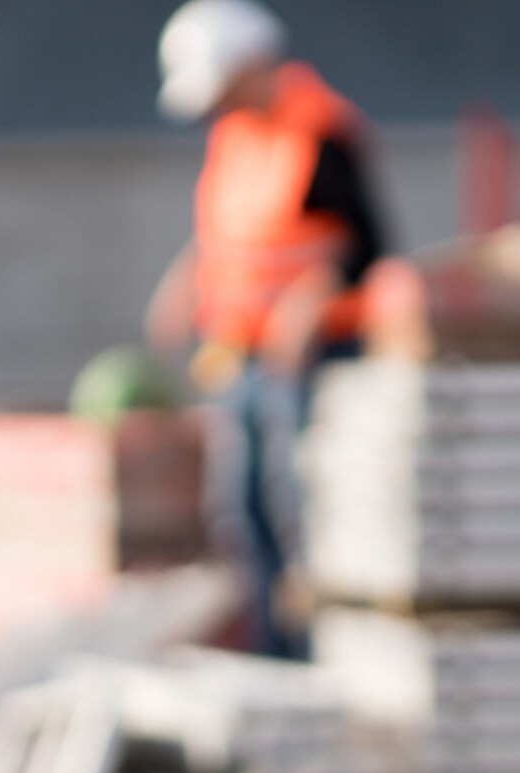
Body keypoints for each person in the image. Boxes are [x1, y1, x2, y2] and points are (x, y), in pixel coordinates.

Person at [145, 0, 389, 659]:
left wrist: (311, 303)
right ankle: (275, 656)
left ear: (251, 65)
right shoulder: (237, 135)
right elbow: (236, 236)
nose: (215, 105)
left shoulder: (320, 131)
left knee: (302, 510)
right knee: (243, 513)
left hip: (312, 358)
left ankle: (320, 657)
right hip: (241, 354)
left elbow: (364, 247)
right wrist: (187, 277)